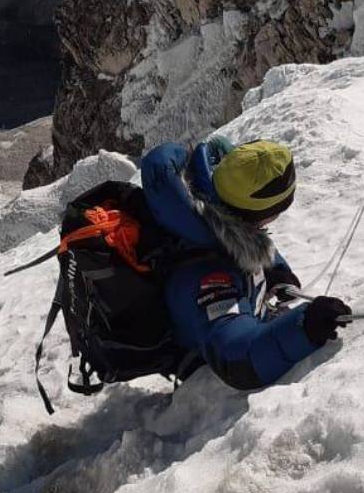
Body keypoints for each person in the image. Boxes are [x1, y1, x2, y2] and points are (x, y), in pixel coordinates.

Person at [139, 136, 352, 390]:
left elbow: (240, 238)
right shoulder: (209, 276)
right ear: (259, 215)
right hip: (201, 364)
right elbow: (239, 360)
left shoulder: (202, 200)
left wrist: (275, 271)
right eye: (275, 212)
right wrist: (305, 326)